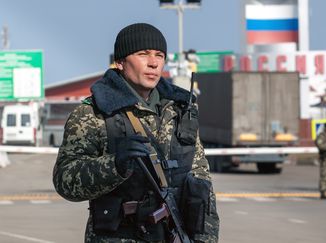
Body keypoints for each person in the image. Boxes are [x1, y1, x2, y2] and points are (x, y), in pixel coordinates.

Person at [53, 23, 219, 242]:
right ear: (120, 62)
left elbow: (201, 184)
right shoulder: (93, 113)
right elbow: (65, 181)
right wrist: (114, 165)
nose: (153, 63)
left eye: (159, 55)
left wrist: (205, 238)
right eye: (143, 54)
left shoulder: (180, 109)